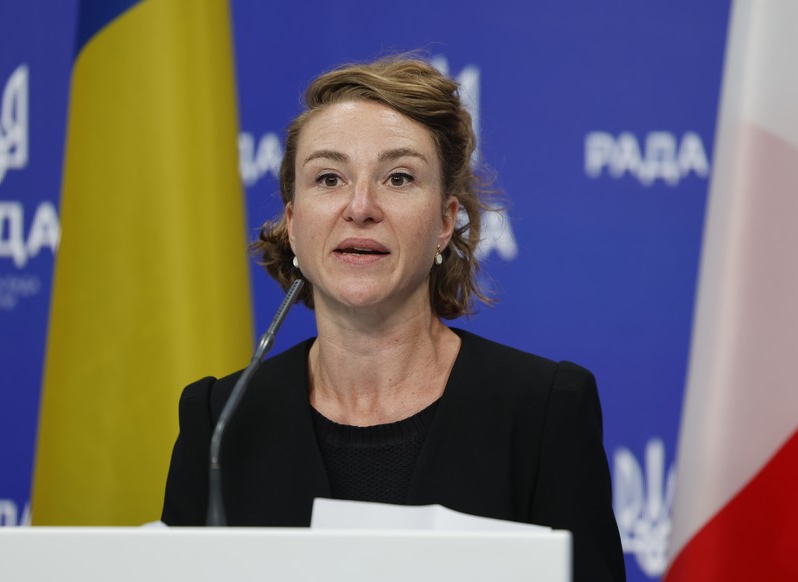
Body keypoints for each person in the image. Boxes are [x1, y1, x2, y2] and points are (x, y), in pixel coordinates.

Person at [162, 55, 625, 581]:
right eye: (329, 178)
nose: (360, 207)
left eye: (399, 178)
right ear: (293, 224)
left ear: (446, 222)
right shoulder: (220, 420)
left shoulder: (543, 412)